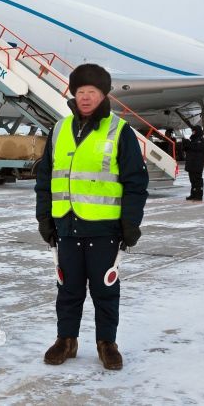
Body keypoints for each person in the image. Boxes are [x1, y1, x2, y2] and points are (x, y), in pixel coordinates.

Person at [34, 63, 149, 371]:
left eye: (92, 92)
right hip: (66, 225)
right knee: (67, 289)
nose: (85, 98)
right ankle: (66, 341)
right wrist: (43, 217)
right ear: (74, 94)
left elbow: (136, 182)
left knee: (105, 289)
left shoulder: (119, 131)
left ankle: (106, 343)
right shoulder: (59, 129)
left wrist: (130, 222)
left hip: (104, 228)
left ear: (103, 95)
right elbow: (45, 177)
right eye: (81, 92)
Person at [181, 125, 204, 201]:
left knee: (197, 180)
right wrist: (185, 145)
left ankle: (199, 195)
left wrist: (188, 143)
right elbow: (189, 149)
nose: (193, 132)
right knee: (192, 180)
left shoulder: (200, 140)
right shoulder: (193, 140)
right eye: (192, 131)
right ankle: (193, 194)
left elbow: (196, 148)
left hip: (197, 164)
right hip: (192, 163)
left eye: (194, 131)